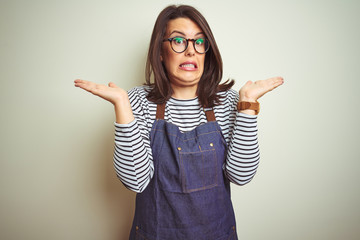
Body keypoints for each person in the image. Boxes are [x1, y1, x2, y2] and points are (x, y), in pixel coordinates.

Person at [74, 4, 283, 240]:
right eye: (179, 41)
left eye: (199, 42)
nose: (191, 51)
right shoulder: (138, 101)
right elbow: (136, 181)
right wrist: (122, 105)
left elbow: (241, 175)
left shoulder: (228, 102)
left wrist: (247, 106)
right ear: (160, 52)